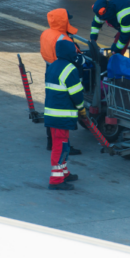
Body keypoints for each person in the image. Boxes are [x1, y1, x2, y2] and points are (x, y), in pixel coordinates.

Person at [44, 40, 86, 191]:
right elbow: (77, 94)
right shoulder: (70, 69)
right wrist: (81, 109)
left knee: (63, 144)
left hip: (51, 114)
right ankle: (56, 179)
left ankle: (64, 172)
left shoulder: (52, 66)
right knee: (60, 146)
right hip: (61, 115)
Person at [40, 9, 83, 155]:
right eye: (67, 19)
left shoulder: (46, 33)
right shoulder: (63, 39)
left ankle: (50, 142)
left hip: (50, 69)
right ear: (62, 21)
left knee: (51, 105)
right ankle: (65, 146)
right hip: (63, 72)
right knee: (62, 110)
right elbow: (75, 57)